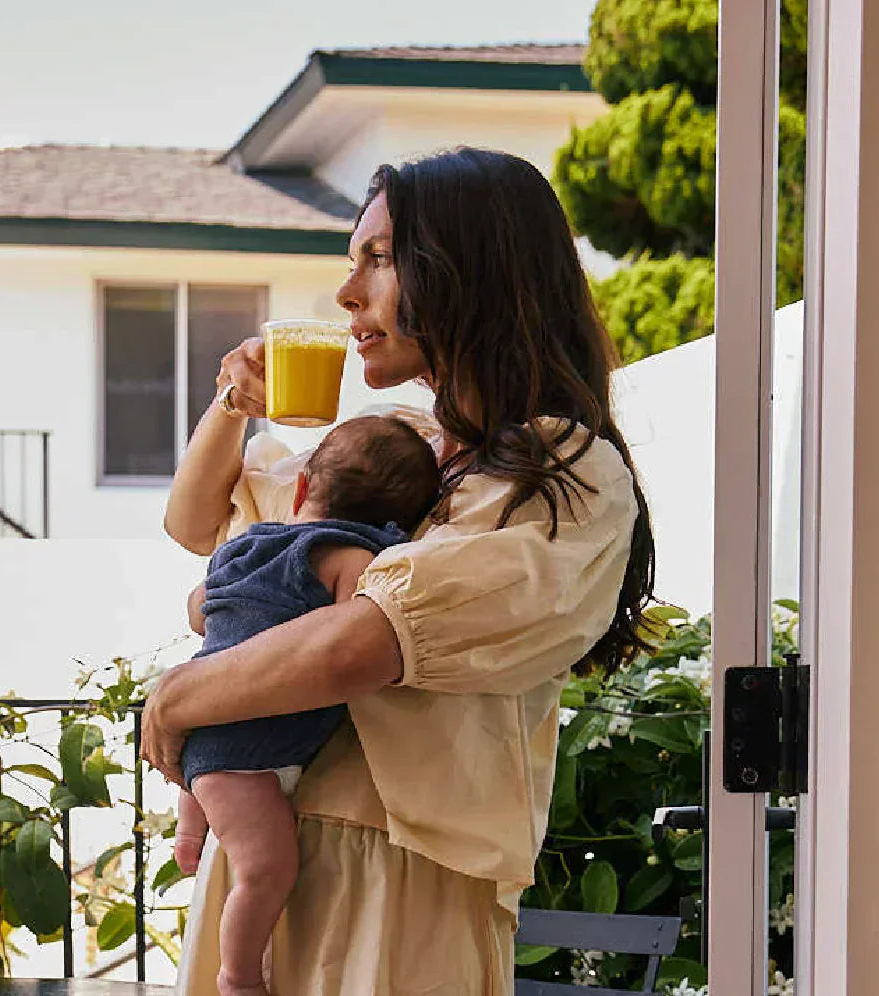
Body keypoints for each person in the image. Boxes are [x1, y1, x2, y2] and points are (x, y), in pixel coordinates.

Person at [147, 147, 656, 996]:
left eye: (379, 259)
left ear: (472, 271)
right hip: (261, 872)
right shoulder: (399, 445)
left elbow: (367, 641)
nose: (348, 294)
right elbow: (198, 527)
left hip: (399, 897)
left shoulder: (565, 475)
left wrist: (178, 699)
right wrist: (235, 404)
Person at [173, 414, 441, 996]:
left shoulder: (246, 545)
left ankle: (189, 831)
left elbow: (199, 609)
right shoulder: (354, 559)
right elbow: (345, 644)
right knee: (268, 870)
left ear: (300, 490)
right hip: (250, 750)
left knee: (215, 787)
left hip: (205, 728)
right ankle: (238, 976)